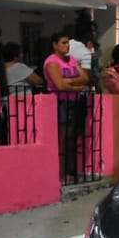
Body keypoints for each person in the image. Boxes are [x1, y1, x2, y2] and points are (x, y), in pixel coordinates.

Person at [44, 32, 89, 184]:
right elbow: (59, 85)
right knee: (61, 140)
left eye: (67, 43)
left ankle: (71, 172)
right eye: (63, 43)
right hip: (60, 103)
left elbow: (85, 77)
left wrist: (69, 81)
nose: (66, 46)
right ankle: (61, 175)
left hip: (73, 103)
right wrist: (76, 87)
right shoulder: (51, 62)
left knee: (72, 139)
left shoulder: (72, 60)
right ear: (55, 45)